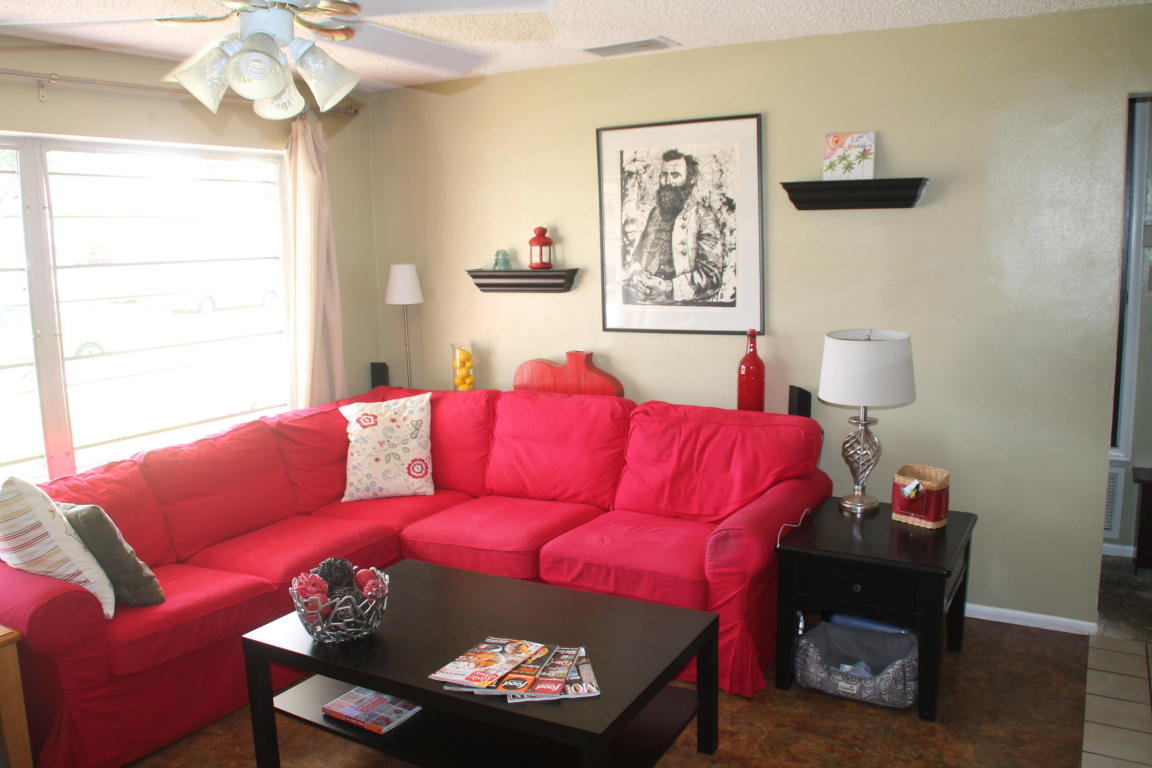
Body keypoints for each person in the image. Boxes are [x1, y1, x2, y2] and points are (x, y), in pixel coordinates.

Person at [623, 149, 724, 305]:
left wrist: (668, 287)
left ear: (690, 179)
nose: (668, 181)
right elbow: (637, 257)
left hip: (683, 305)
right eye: (664, 175)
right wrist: (637, 276)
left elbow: (712, 276)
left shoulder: (703, 216)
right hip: (646, 302)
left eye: (675, 175)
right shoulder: (655, 214)